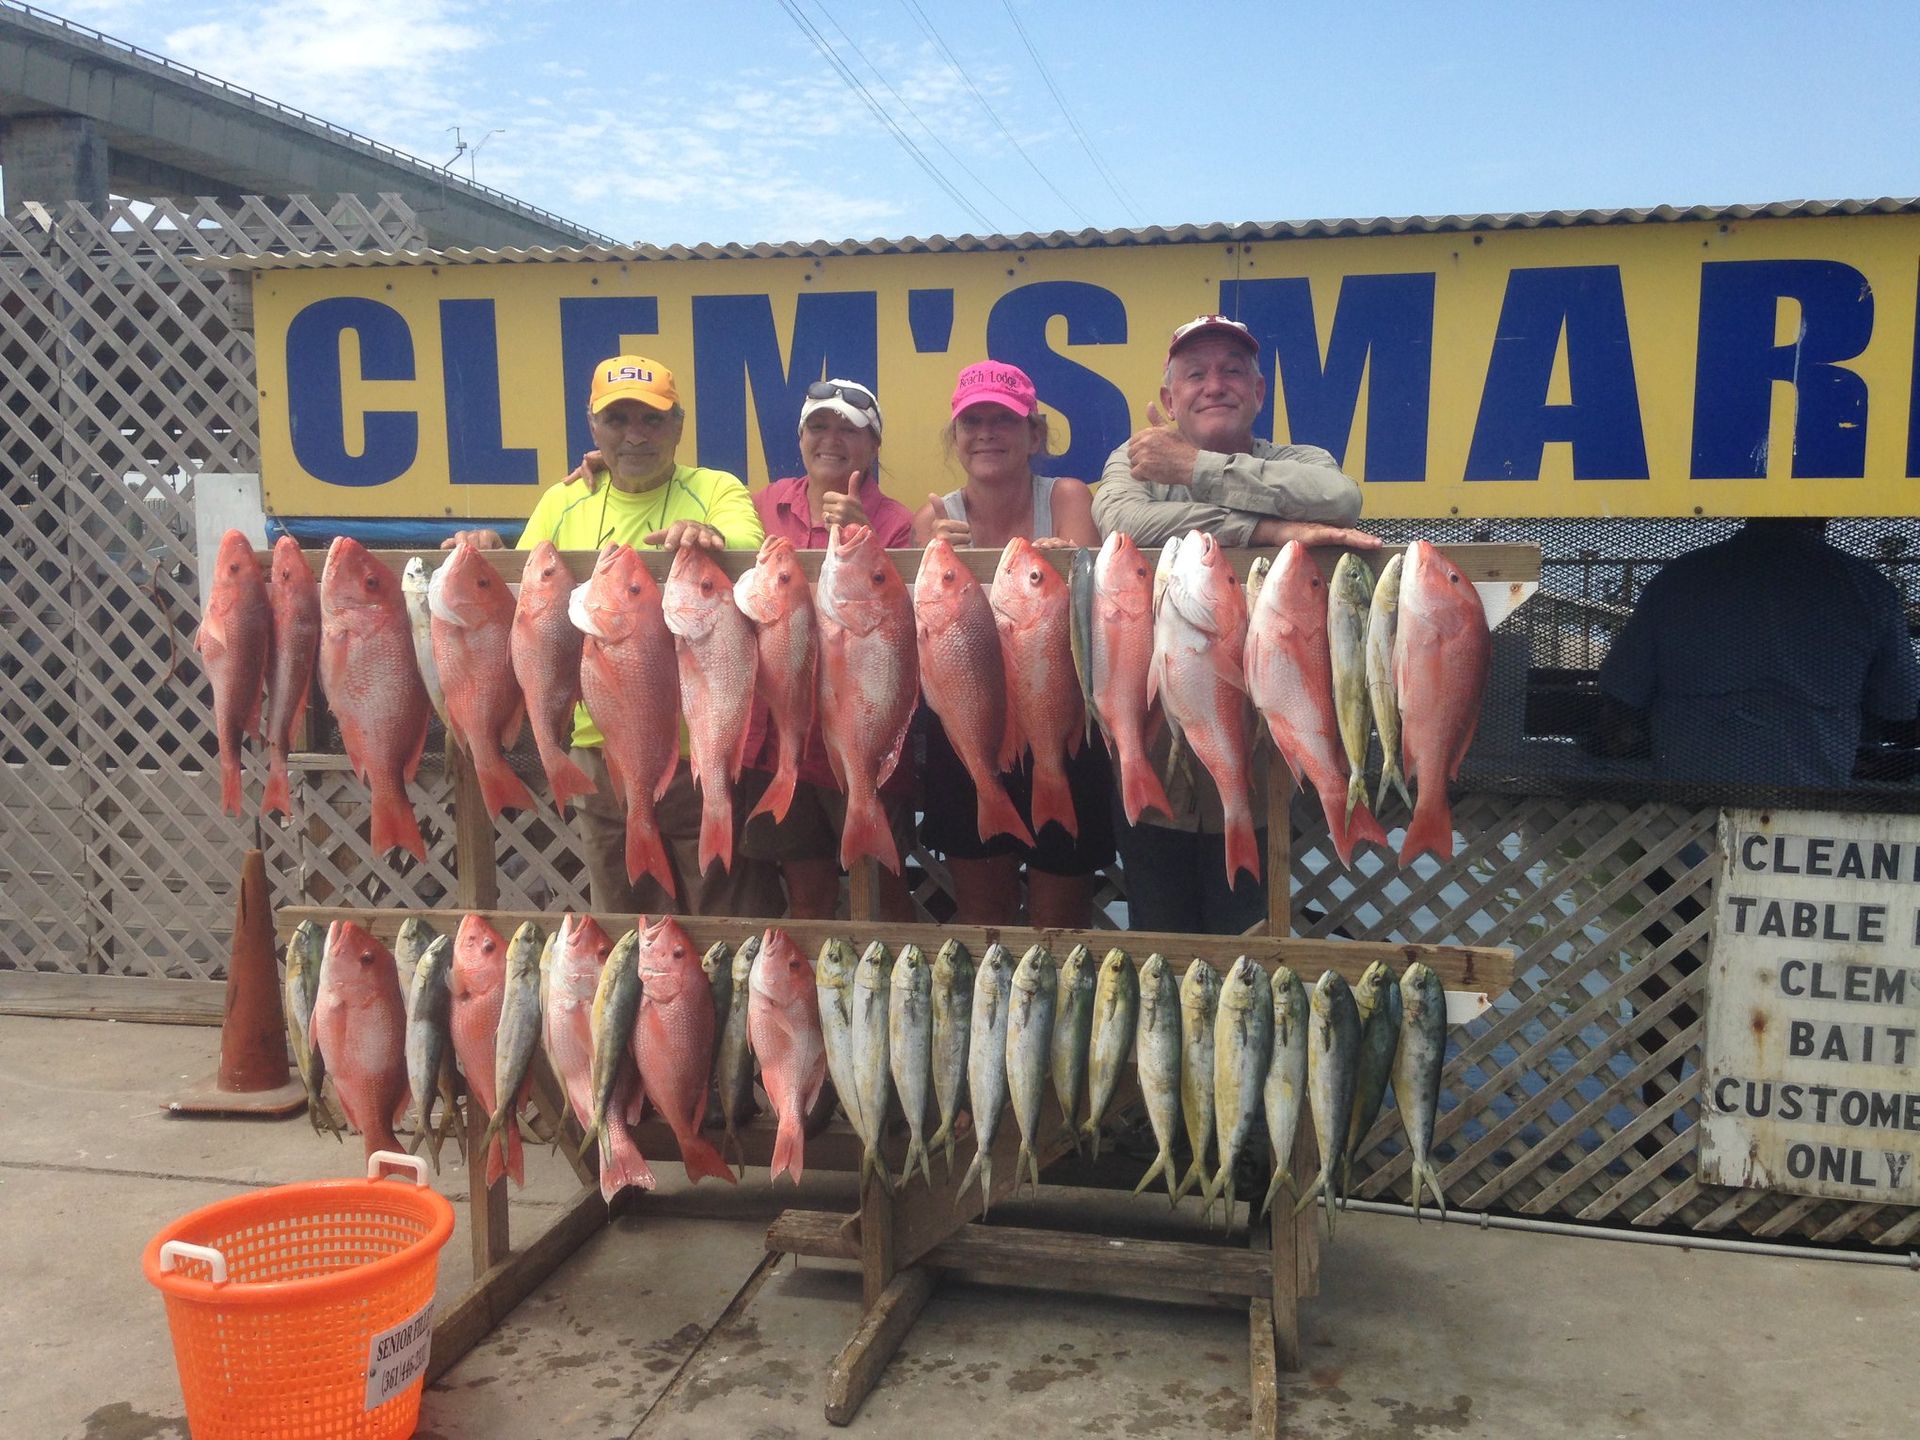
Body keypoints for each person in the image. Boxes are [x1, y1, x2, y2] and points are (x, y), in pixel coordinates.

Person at [446, 353, 779, 918]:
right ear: (593, 426)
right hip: (596, 752)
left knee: (720, 918)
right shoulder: (561, 500)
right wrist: (488, 554)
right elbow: (521, 610)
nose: (635, 435)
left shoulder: (717, 489)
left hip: (698, 752)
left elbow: (744, 548)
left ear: (678, 426)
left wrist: (709, 537)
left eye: (652, 420)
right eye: (618, 420)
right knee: (625, 927)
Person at [1092, 313, 1379, 935]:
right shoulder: (1133, 458)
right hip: (1154, 749)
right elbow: (1122, 522)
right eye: (1196, 374)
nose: (1214, 384)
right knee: (1158, 940)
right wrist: (1273, 531)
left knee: (1248, 941)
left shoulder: (1301, 460)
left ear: (1258, 393)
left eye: (1231, 371)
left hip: (1264, 755)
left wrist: (1196, 468)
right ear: (1170, 400)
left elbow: (1341, 499)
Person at [910, 360, 1111, 929]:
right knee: (982, 912)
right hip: (969, 725)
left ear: (1035, 435)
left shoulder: (1070, 498)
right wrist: (943, 555)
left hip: (1058, 718)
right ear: (956, 436)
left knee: (1061, 917)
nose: (987, 434)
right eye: (972, 422)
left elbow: (1091, 617)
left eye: (1004, 419)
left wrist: (1065, 572)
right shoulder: (934, 517)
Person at [736, 379, 919, 921]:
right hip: (781, 740)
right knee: (806, 894)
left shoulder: (896, 521)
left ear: (874, 447)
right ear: (799, 438)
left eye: (849, 430)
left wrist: (872, 546)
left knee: (885, 894)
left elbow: (902, 632)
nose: (831, 439)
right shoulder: (762, 504)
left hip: (863, 732)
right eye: (819, 426)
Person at [1597, 517, 1919, 786]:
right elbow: (1900, 707)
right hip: (1815, 811)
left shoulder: (1678, 579)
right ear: (1825, 513)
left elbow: (1624, 690)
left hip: (1686, 810)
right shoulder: (1870, 590)